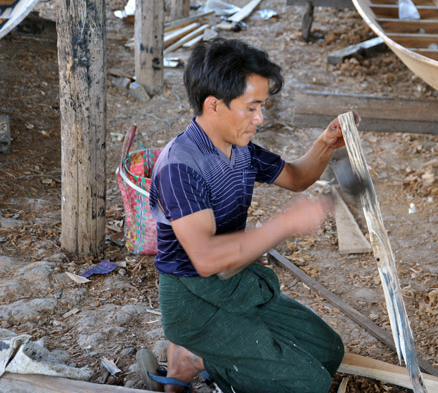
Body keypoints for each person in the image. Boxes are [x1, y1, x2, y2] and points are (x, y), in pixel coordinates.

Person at [140, 37, 358, 393]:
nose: (260, 118)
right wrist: (284, 224)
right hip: (192, 298)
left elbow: (298, 177)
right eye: (252, 107)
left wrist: (324, 144)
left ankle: (198, 359)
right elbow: (207, 258)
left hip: (234, 281)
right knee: (309, 384)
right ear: (214, 105)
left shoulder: (239, 149)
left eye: (263, 106)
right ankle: (193, 353)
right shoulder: (180, 166)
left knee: (328, 352)